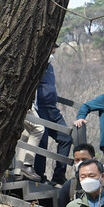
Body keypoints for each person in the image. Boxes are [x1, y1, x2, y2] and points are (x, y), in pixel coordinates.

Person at [35, 43, 72, 185]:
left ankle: (58, 175)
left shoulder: (49, 67)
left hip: (53, 110)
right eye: (51, 49)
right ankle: (39, 175)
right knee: (41, 141)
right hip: (40, 109)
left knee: (66, 138)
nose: (53, 52)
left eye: (54, 50)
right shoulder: (36, 65)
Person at [15, 96, 46, 182]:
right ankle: (27, 166)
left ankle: (18, 171)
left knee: (26, 135)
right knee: (39, 128)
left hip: (27, 102)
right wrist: (28, 102)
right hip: (25, 102)